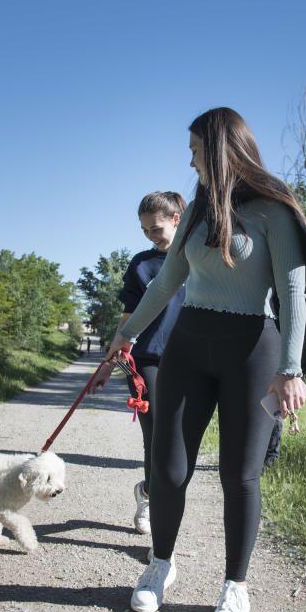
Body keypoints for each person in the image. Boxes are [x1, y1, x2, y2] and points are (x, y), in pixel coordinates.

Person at [104, 107, 306, 612]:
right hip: (188, 347)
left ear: (218, 149)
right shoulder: (196, 209)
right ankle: (160, 565)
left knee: (238, 475)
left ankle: (234, 588)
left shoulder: (273, 209)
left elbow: (293, 291)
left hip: (252, 349)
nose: (190, 157)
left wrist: (291, 368)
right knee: (169, 467)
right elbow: (165, 283)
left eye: (195, 148)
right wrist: (125, 335)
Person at [91, 191, 187, 536]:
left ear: (177, 220)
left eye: (156, 228)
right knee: (158, 434)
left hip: (192, 359)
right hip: (146, 360)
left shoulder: (198, 259)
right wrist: (106, 364)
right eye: (145, 230)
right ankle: (158, 514)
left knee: (182, 439)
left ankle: (148, 489)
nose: (151, 236)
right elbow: (128, 319)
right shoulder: (141, 265)